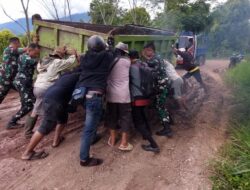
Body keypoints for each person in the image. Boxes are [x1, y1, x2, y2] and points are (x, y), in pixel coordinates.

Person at [74, 35, 115, 167]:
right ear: (102, 46)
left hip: (83, 94)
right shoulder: (106, 57)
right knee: (89, 128)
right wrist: (110, 44)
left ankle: (92, 137)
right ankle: (84, 159)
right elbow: (112, 52)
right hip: (95, 96)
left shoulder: (84, 58)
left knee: (93, 119)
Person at [21, 72, 80, 160]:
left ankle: (56, 141)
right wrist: (73, 106)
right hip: (55, 101)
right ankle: (27, 153)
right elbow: (78, 93)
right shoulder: (81, 77)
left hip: (50, 96)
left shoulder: (69, 74)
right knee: (46, 126)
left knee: (63, 118)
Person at [23, 47, 78, 138]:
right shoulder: (56, 62)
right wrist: (74, 54)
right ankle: (44, 129)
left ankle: (28, 131)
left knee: (36, 108)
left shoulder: (43, 61)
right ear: (60, 55)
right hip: (46, 88)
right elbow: (70, 62)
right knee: (48, 110)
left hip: (37, 87)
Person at [129, 50, 160, 153]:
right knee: (143, 115)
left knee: (138, 123)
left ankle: (153, 145)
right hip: (146, 96)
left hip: (137, 98)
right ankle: (147, 133)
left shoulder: (131, 68)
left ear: (130, 58)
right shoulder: (143, 64)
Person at [106, 42, 133, 151]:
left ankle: (112, 140)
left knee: (112, 116)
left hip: (111, 94)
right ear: (124, 52)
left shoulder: (108, 61)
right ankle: (124, 143)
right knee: (125, 118)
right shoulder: (127, 61)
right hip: (124, 95)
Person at [142, 42, 173, 137]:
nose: (146, 52)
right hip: (163, 84)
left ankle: (167, 128)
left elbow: (148, 63)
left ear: (151, 50)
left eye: (147, 50)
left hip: (161, 86)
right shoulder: (158, 57)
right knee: (161, 104)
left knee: (160, 106)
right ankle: (169, 121)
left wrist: (143, 57)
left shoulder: (155, 59)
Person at [6, 43, 40, 129]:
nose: (36, 55)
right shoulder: (28, 59)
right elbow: (39, 62)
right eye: (35, 53)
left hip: (21, 82)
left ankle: (20, 117)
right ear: (29, 50)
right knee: (29, 105)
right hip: (22, 83)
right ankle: (12, 122)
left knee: (30, 100)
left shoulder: (22, 56)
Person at [0, 37, 27, 104]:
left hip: (12, 78)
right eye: (19, 43)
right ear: (16, 43)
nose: (19, 45)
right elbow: (25, 50)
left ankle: (27, 105)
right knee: (1, 95)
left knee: (24, 90)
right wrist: (34, 44)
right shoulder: (9, 49)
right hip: (5, 79)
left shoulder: (13, 50)